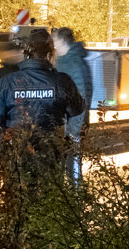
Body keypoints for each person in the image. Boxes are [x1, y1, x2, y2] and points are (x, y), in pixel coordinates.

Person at [0, 28, 85, 165]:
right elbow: (77, 108)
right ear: (49, 55)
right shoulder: (62, 81)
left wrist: (2, 152)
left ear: (25, 54)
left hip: (18, 162)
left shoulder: (7, 82)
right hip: (51, 162)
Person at [53, 27, 92, 184]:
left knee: (73, 168)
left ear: (62, 41)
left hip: (71, 129)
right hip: (62, 127)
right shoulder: (62, 62)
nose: (52, 44)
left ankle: (76, 202)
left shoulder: (73, 65)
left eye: (54, 40)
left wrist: (74, 131)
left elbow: (81, 99)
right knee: (61, 169)